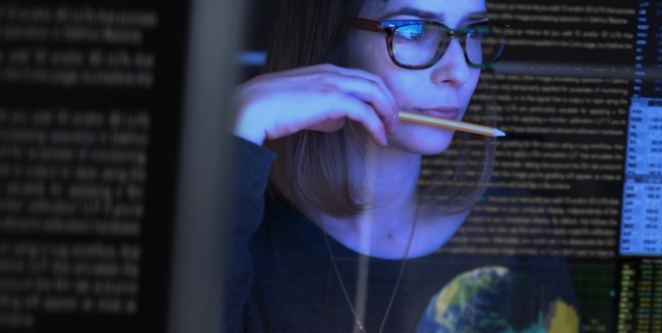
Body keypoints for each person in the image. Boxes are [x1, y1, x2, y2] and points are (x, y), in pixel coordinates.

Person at [229, 0, 580, 332]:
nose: (458, 72)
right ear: (330, 40)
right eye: (414, 31)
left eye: (474, 33)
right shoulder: (238, 226)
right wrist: (239, 128)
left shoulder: (517, 229)